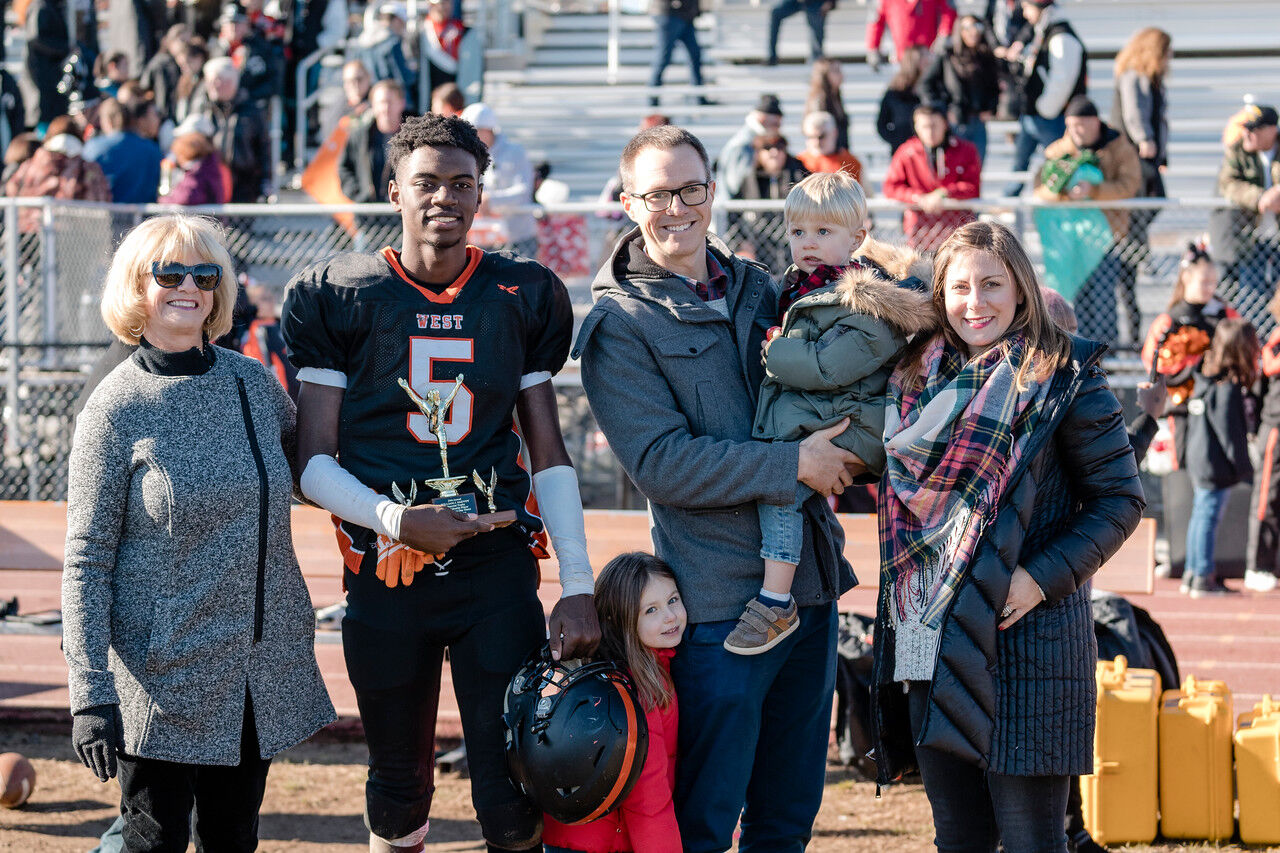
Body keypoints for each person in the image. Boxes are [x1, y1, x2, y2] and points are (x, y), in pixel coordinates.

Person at [281, 112, 600, 853]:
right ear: (393, 189)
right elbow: (312, 465)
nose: (444, 198)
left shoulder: (521, 293)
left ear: (482, 194)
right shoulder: (342, 294)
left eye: (463, 183)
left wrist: (577, 581)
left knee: (511, 785)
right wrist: (397, 521)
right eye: (426, 182)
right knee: (397, 786)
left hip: (495, 569)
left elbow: (548, 452)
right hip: (389, 571)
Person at [573, 124, 856, 851]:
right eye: (659, 193)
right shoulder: (618, 322)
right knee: (704, 820)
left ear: (712, 191)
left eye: (690, 189)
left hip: (811, 588)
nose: (678, 207)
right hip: (719, 608)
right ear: (630, 203)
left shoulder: (760, 287)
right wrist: (793, 465)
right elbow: (664, 463)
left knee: (788, 817)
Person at [62, 214, 336, 852]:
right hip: (162, 675)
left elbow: (311, 472)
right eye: (170, 273)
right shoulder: (114, 407)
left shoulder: (250, 383)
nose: (190, 286)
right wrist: (89, 695)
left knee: (233, 837)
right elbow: (86, 561)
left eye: (206, 274)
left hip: (252, 669)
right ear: (137, 285)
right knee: (153, 842)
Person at [871, 220, 1145, 851]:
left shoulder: (1065, 376)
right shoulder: (911, 379)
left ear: (1021, 289)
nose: (976, 302)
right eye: (960, 287)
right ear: (939, 295)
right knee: (958, 837)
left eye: (992, 284)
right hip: (925, 635)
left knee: (1031, 840)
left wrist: (1038, 579)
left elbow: (1119, 500)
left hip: (1027, 639)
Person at [732, 171, 932, 655]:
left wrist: (772, 352)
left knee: (781, 488)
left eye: (823, 232)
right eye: (799, 232)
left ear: (858, 239)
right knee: (784, 482)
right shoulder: (804, 287)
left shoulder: (869, 304)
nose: (808, 243)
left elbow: (826, 367)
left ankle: (775, 599)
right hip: (828, 413)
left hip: (851, 423)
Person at [541, 552, 684, 853]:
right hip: (602, 843)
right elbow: (647, 799)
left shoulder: (618, 672)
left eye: (672, 600)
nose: (670, 616)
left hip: (571, 836)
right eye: (651, 610)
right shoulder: (636, 691)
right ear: (619, 620)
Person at [1033, 95, 1143, 348]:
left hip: (1107, 237)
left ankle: (1106, 356)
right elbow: (1040, 187)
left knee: (1103, 299)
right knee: (1076, 300)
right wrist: (1063, 192)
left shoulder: (1118, 146)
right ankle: (1078, 354)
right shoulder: (1058, 150)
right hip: (1069, 238)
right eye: (1071, 126)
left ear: (1095, 122)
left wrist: (1093, 191)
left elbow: (1129, 185)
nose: (1076, 132)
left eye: (1082, 125)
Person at [1141, 243, 1241, 473]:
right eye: (1204, 282)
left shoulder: (1224, 313)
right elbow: (1153, 362)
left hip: (1221, 403)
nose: (1210, 288)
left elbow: (1244, 345)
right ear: (1186, 278)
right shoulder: (1170, 320)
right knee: (1184, 466)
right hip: (1182, 407)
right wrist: (1192, 365)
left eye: (1214, 283)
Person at [1183, 318, 1258, 597]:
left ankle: (1194, 572)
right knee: (1207, 517)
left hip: (1200, 458)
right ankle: (1202, 575)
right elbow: (1231, 437)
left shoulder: (1205, 378)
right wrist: (1245, 471)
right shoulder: (1226, 388)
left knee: (1200, 514)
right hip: (1213, 465)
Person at [999, 0, 1086, 196]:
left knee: (1062, 165)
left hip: (1050, 119)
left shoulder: (1061, 36)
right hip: (1033, 116)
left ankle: (1061, 208)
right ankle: (1007, 207)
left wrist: (1044, 108)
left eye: (1028, 8)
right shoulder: (1040, 32)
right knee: (1018, 167)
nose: (1025, 14)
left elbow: (1061, 80)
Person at [1210, 103, 1280, 334]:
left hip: (1276, 234)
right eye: (1246, 128)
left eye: (1254, 129)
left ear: (1271, 130)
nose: (1247, 134)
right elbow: (1228, 183)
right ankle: (1255, 343)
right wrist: (1260, 197)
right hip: (1251, 237)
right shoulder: (1238, 149)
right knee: (1252, 293)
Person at [883, 103, 981, 251]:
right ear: (916, 127)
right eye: (924, 126)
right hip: (919, 232)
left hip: (958, 231)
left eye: (934, 125)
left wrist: (943, 193)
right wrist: (918, 197)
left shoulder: (966, 150)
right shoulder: (906, 151)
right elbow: (891, 187)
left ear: (945, 124)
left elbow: (972, 186)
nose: (929, 132)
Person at [4, 115, 111, 233]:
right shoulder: (88, 168)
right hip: (74, 240)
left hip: (28, 238)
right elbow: (101, 202)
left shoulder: (31, 163)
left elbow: (11, 189)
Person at [461, 102, 538, 259]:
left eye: (474, 131)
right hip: (481, 238)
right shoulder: (467, 155)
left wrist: (490, 200)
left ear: (488, 129)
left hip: (517, 238)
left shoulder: (515, 153)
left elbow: (523, 192)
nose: (470, 137)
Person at [919, 14, 1000, 163]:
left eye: (977, 27)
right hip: (955, 121)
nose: (973, 32)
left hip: (978, 121)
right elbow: (925, 84)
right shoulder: (948, 56)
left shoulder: (986, 56)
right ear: (960, 31)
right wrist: (942, 109)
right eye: (967, 28)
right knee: (955, 166)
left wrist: (991, 108)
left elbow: (994, 87)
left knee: (976, 166)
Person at [728, 133, 810, 274]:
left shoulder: (799, 175)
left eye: (779, 148)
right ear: (758, 153)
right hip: (759, 243)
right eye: (767, 148)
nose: (774, 152)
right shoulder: (749, 179)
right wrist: (741, 243)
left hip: (792, 241)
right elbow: (734, 214)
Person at [198, 57, 271, 202]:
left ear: (230, 82)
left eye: (215, 81)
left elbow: (263, 148)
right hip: (210, 180)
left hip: (244, 183)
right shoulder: (203, 108)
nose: (212, 86)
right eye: (210, 81)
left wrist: (265, 181)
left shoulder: (252, 111)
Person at [1246, 291, 1280, 594]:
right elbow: (1268, 370)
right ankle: (1257, 564)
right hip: (1276, 429)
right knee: (1266, 496)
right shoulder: (1274, 342)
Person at [1111, 27, 1171, 200]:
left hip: (1148, 151)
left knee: (1149, 195)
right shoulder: (1133, 76)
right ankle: (1130, 227)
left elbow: (1160, 118)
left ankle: (1134, 228)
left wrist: (1162, 155)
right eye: (1166, 53)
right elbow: (1133, 110)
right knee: (1152, 195)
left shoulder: (1155, 80)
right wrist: (1144, 139)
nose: (1169, 59)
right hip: (1133, 149)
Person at [84, 98, 165, 203]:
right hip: (144, 217)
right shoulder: (153, 149)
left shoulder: (94, 147)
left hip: (105, 215)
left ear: (108, 120)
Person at [339, 79, 406, 203]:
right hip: (367, 215)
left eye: (390, 102)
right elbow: (344, 169)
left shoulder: (413, 138)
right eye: (381, 102)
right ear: (373, 105)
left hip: (401, 215)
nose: (385, 108)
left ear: (401, 103)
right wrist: (359, 195)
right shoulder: (358, 136)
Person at [718, 94, 784, 199]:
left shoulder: (746, 140)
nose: (778, 129)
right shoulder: (744, 145)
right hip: (732, 209)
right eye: (776, 124)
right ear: (762, 119)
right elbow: (737, 186)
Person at [21, 0, 72, 130]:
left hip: (52, 78)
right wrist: (65, 49)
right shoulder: (40, 7)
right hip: (41, 80)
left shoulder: (53, 7)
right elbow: (36, 38)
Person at [648, 0, 707, 108]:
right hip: (669, 14)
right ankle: (653, 101)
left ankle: (700, 98)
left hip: (686, 15)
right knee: (663, 59)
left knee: (695, 56)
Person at [865, 0, 955, 72]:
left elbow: (948, 12)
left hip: (928, 56)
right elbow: (876, 22)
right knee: (900, 89)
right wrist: (873, 49)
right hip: (900, 59)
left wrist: (944, 35)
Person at [159, 117, 229, 205]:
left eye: (183, 139)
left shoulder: (204, 167)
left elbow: (188, 197)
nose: (178, 144)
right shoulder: (204, 163)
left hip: (203, 217)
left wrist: (164, 200)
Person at [876, 47, 925, 155]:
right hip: (902, 149)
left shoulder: (930, 90)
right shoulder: (894, 92)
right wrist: (896, 139)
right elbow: (881, 124)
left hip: (926, 147)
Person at [140, 24, 190, 124]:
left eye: (188, 42)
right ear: (171, 42)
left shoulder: (184, 63)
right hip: (164, 119)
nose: (185, 46)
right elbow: (157, 93)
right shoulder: (163, 64)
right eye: (182, 41)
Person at [797, 111, 862, 183]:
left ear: (834, 133)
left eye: (821, 136)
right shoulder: (799, 162)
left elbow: (863, 193)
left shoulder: (850, 163)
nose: (816, 142)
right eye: (811, 137)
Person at [804, 57, 850, 153]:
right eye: (836, 71)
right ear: (824, 75)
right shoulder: (819, 100)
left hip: (838, 152)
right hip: (826, 154)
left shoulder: (835, 96)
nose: (841, 75)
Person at [765, 0, 829, 66]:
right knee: (776, 13)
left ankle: (816, 59)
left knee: (816, 19)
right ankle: (772, 58)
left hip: (817, 2)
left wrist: (829, 2)